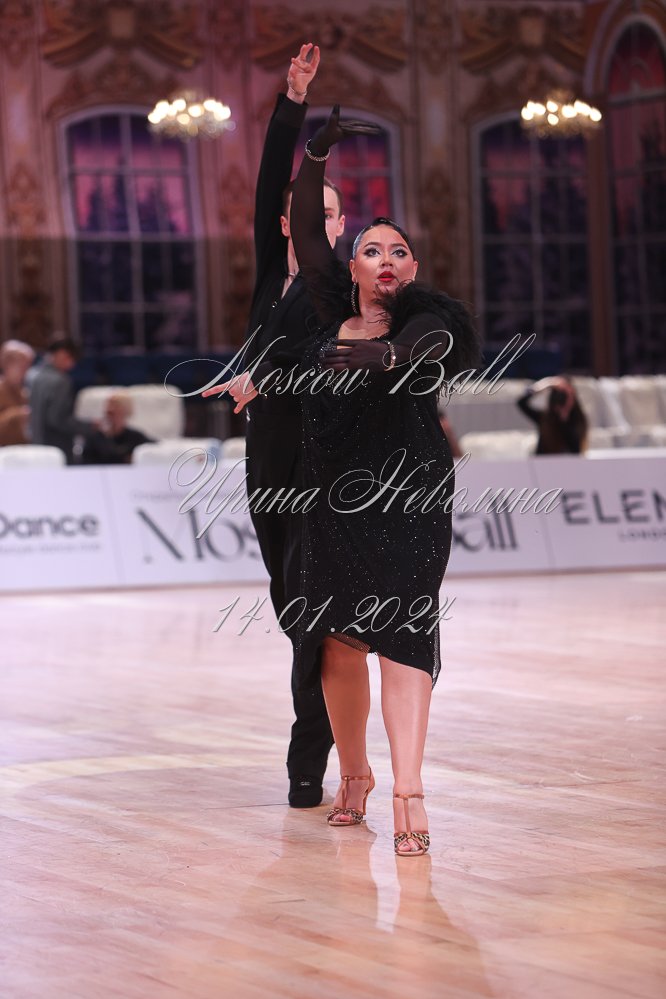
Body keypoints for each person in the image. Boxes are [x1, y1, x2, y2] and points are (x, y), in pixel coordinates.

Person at [206, 107, 480, 855]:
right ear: (347, 265)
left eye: (399, 251)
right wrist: (318, 150)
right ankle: (354, 776)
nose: (386, 258)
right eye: (371, 249)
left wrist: (373, 358)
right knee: (336, 642)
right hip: (330, 501)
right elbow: (300, 225)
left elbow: (423, 348)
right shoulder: (323, 317)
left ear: (411, 269)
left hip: (409, 502)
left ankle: (409, 790)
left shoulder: (428, 321)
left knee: (405, 638)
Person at [239, 44, 346, 808]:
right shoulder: (268, 275)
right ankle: (321, 726)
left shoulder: (339, 292)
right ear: (286, 222)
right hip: (265, 468)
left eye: (332, 213)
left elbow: (328, 370)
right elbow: (270, 178)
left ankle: (308, 761)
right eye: (311, 210)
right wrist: (294, 103)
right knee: (290, 608)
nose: (322, 220)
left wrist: (265, 379)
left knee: (310, 612)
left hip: (321, 472)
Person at [28, 336, 96, 463]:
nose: (72, 365)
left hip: (37, 446)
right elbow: (58, 419)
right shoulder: (61, 382)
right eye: (71, 358)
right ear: (61, 354)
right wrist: (89, 427)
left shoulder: (33, 376)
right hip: (57, 449)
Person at [517, 376, 588, 454]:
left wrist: (564, 416)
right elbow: (521, 402)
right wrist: (545, 384)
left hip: (568, 461)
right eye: (559, 395)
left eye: (567, 395)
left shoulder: (578, 420)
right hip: (544, 460)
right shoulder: (544, 419)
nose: (563, 398)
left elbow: (576, 451)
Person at [82, 392, 153, 464]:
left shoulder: (136, 438)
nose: (110, 409)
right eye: (108, 412)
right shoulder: (95, 438)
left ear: (126, 412)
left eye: (116, 409)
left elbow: (155, 448)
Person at [0, 340, 35, 446]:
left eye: (28, 367)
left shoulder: (23, 391)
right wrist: (18, 414)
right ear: (7, 365)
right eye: (22, 367)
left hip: (20, 449)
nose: (26, 372)